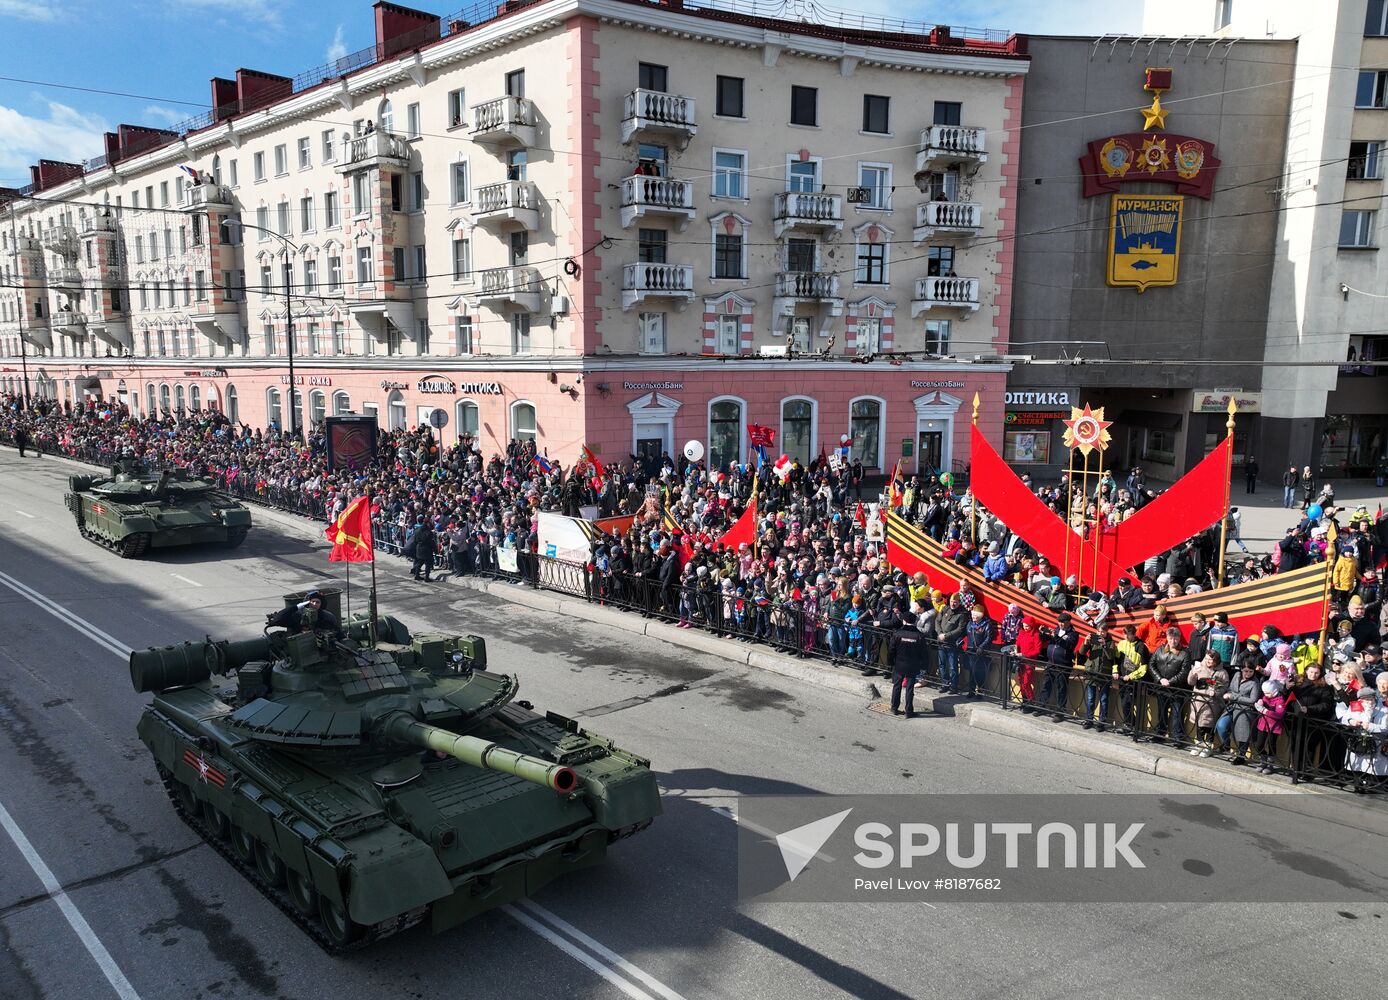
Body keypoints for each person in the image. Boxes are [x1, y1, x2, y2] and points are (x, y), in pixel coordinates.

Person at [1148, 626, 1190, 744]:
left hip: (1177, 689)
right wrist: (1160, 679)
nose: (1173, 641)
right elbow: (1152, 664)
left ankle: (1178, 738)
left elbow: (1184, 672)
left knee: (1177, 713)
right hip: (1161, 687)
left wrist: (1170, 681)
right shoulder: (1160, 649)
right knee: (1161, 712)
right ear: (1167, 638)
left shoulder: (1185, 653)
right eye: (1171, 639)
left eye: (1175, 639)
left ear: (1179, 639)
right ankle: (1160, 734)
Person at [1214, 660, 1262, 763]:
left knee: (1243, 733)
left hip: (1245, 710)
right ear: (1241, 670)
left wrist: (1234, 696)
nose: (1248, 673)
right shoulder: (1236, 675)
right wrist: (1228, 694)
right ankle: (1226, 744)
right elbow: (1231, 688)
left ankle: (1241, 755)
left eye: (1250, 671)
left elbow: (1253, 700)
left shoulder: (1255, 682)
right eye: (1245, 671)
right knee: (1221, 725)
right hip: (1232, 706)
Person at [1037, 612, 1079, 720]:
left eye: (1063, 622)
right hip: (1051, 662)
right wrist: (1042, 633)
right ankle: (1041, 706)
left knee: (1061, 688)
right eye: (1059, 622)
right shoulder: (1056, 630)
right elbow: (1045, 640)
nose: (1060, 624)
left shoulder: (1073, 634)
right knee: (1046, 684)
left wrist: (1055, 636)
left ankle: (1060, 712)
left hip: (1063, 664)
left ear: (1069, 622)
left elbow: (1068, 645)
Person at [1186, 651, 1230, 752]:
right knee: (1199, 725)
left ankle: (1208, 747)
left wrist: (1215, 692)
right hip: (1198, 702)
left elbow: (1224, 687)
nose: (1208, 661)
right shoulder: (1199, 667)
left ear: (1216, 660)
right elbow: (1190, 682)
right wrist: (1194, 673)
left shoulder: (1222, 672)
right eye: (1206, 658)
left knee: (1210, 726)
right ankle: (1199, 745)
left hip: (1212, 704)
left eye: (1210, 659)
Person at [1079, 630, 1122, 731]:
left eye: (1103, 632)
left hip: (1104, 674)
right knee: (1090, 699)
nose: (1101, 633)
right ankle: (1089, 720)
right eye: (1099, 631)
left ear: (1106, 632)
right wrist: (1086, 642)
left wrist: (1104, 645)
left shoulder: (1111, 643)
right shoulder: (1092, 641)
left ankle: (1101, 722)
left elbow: (1111, 657)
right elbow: (1081, 652)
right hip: (1092, 673)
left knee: (1103, 699)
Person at [890, 614, 927, 718]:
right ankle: (909, 711)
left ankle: (894, 708)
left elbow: (891, 650)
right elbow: (924, 653)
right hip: (913, 665)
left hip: (899, 664)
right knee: (910, 688)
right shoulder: (919, 636)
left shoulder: (897, 634)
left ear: (904, 621)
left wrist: (891, 662)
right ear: (915, 622)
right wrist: (923, 666)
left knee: (897, 686)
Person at [266, 590, 341, 634]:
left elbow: (337, 632)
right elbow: (278, 620)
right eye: (312, 601)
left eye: (317, 602)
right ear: (307, 603)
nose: (314, 604)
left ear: (321, 604)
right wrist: (296, 607)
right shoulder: (298, 616)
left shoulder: (327, 617)